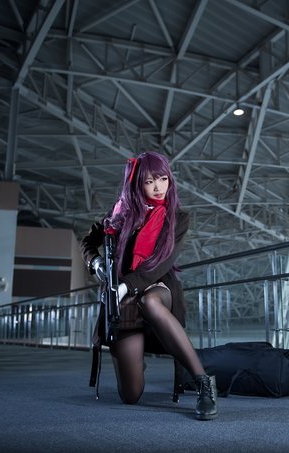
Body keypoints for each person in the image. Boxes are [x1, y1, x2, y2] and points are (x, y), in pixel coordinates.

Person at [80, 151, 217, 421]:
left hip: (158, 285)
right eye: (149, 181)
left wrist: (124, 286)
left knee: (150, 301)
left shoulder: (177, 218)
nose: (158, 187)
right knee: (130, 395)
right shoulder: (119, 214)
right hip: (124, 302)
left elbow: (160, 264)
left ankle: (203, 383)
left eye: (163, 179)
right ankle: (134, 359)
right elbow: (88, 242)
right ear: (136, 183)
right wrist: (96, 263)